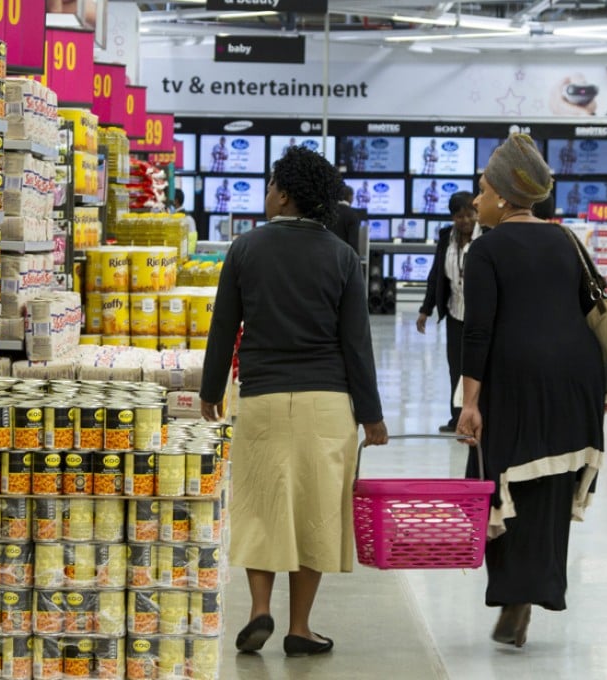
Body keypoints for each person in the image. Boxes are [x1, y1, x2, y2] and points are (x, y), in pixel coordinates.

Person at [198, 145, 388, 658]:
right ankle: (300, 627)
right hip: (327, 404)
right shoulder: (343, 257)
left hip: (261, 397)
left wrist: (210, 390)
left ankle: (260, 609)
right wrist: (371, 415)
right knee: (316, 513)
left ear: (283, 194)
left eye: (268, 185)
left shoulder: (245, 249)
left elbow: (224, 329)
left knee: (261, 505)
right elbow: (356, 345)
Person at [458, 133, 604, 649]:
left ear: (501, 194)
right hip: (577, 379)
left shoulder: (487, 249)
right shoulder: (566, 241)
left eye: (480, 190)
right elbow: (589, 310)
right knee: (548, 488)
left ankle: (514, 597)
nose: (476, 201)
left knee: (501, 482)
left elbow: (479, 332)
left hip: (516, 380)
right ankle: (532, 593)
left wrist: (470, 402)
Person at [416, 191, 478, 433]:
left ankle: (478, 413)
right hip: (454, 313)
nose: (465, 220)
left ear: (476, 214)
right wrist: (425, 309)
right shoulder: (445, 237)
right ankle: (457, 417)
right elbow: (436, 276)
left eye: (469, 215)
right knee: (456, 367)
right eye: (459, 216)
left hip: (479, 315)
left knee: (477, 367)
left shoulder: (487, 237)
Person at [328, 184, 362, 253]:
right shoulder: (353, 214)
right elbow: (353, 242)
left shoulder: (329, 212)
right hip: (344, 256)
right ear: (350, 197)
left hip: (328, 254)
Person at [173, 188, 198, 254]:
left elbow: (192, 240)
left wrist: (188, 256)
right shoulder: (172, 216)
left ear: (176, 200)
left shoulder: (187, 218)